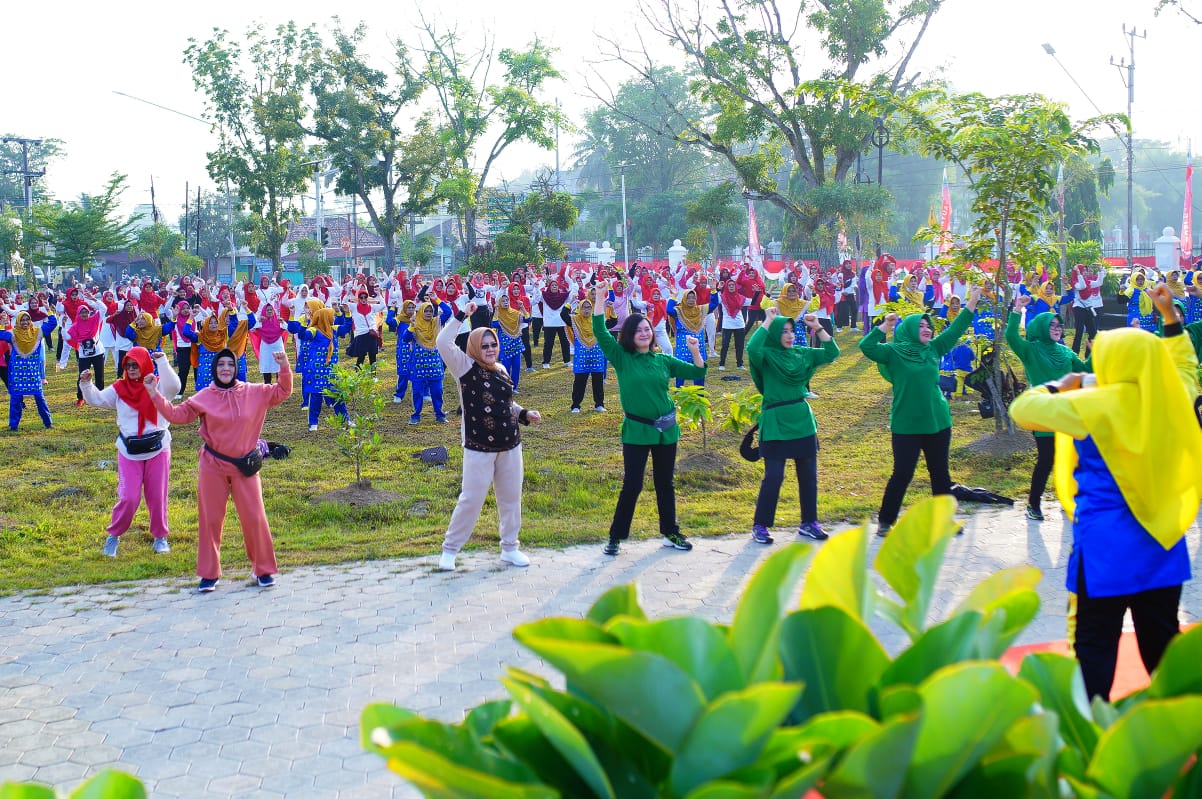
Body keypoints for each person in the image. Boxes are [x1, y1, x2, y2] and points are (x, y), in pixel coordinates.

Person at [1009, 288, 1202, 701]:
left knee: (1095, 647)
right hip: (1161, 545)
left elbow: (1022, 409)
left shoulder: (1089, 404)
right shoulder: (1173, 398)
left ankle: (1091, 739)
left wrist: (1063, 385)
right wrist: (1169, 316)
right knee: (1163, 647)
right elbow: (1184, 365)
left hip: (1103, 550)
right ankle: (1183, 731)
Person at [150, 348, 294, 593]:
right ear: (214, 369)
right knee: (211, 520)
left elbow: (283, 391)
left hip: (245, 466)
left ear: (236, 368)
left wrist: (284, 367)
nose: (225, 368)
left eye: (230, 364)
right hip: (213, 466)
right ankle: (209, 574)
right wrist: (154, 393)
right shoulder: (204, 396)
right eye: (221, 365)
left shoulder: (254, 392)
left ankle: (264, 569)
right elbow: (177, 415)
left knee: (254, 517)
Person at [591, 282, 707, 556]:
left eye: (647, 329)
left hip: (667, 430)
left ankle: (670, 531)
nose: (644, 333)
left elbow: (699, 372)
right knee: (633, 484)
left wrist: (694, 350)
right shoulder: (622, 358)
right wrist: (599, 297)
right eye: (638, 330)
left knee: (665, 483)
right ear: (630, 335)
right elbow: (599, 330)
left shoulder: (662, 360)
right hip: (637, 431)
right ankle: (616, 536)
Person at [858, 287, 981, 536]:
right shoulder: (893, 352)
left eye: (929, 326)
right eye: (921, 326)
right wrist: (885, 326)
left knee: (940, 473)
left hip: (938, 420)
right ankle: (885, 521)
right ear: (910, 329)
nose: (927, 329)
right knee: (902, 473)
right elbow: (867, 347)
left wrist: (973, 301)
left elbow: (956, 330)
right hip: (907, 423)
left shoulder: (933, 348)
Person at [434, 305, 543, 571]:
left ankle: (510, 548)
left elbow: (506, 404)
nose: (490, 349)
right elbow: (442, 342)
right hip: (478, 446)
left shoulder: (502, 368)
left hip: (510, 444)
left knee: (510, 498)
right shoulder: (464, 367)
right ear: (474, 348)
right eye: (484, 346)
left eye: (493, 344)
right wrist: (462, 314)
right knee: (471, 499)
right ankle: (450, 550)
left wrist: (524, 413)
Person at [747, 309, 839, 544]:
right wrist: (767, 320)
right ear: (775, 334)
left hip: (802, 420)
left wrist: (817, 327)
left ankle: (809, 522)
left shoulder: (802, 353)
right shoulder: (766, 356)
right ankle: (760, 525)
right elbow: (752, 348)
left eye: (792, 331)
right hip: (776, 422)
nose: (789, 336)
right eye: (784, 331)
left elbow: (832, 352)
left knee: (808, 476)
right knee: (774, 476)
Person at [80, 347, 180, 557]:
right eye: (128, 365)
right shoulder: (119, 388)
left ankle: (160, 537)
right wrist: (86, 384)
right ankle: (113, 536)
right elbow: (97, 400)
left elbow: (174, 387)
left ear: (144, 364)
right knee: (128, 497)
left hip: (157, 448)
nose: (132, 369)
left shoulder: (156, 384)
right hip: (129, 451)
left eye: (136, 365)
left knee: (157, 495)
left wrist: (162, 361)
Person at [1006, 295, 1090, 521]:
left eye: (1058, 325)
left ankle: (1069, 499)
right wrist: (1016, 310)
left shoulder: (1065, 352)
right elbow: (1011, 336)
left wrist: (1095, 352)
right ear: (1042, 327)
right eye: (1051, 325)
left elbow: (1085, 371)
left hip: (1068, 412)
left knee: (1073, 457)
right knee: (1047, 458)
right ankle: (1033, 504)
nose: (1056, 328)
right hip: (1043, 412)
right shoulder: (1031, 350)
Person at [0, 310, 58, 430]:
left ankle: (48, 423)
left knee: (40, 398)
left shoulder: (37, 332)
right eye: (22, 320)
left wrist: (49, 310)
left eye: (27, 319)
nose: (25, 322)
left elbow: (53, 324)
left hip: (33, 373)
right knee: (15, 399)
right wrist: (1, 323)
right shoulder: (13, 334)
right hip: (18, 373)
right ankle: (13, 426)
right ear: (18, 321)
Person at [568, 297, 606, 413]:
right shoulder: (575, 320)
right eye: (584, 307)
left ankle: (599, 404)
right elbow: (563, 315)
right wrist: (570, 303)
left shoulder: (596, 321)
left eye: (589, 307)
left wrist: (612, 308)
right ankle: (575, 405)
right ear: (580, 308)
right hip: (582, 358)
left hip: (596, 357)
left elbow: (613, 322)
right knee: (579, 381)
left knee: (598, 381)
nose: (587, 310)